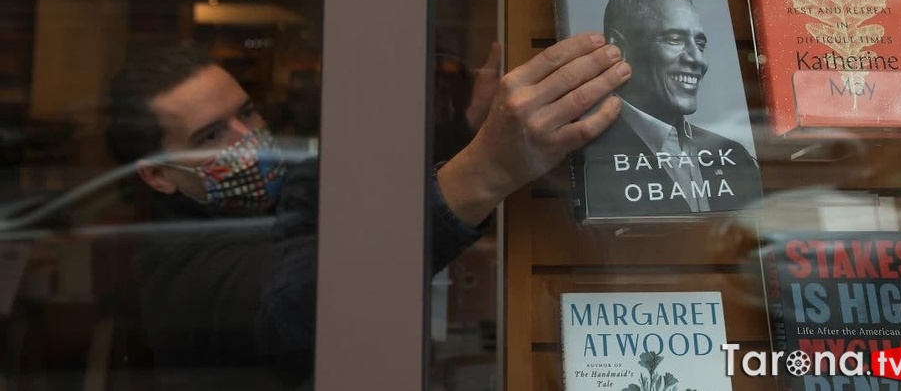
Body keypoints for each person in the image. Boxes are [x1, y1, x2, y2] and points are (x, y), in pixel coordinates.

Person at [103, 31, 631, 389]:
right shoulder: (178, 272)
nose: (249, 140)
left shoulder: (273, 196)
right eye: (210, 136)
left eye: (247, 113)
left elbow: (359, 190)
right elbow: (315, 291)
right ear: (157, 175)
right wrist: (487, 169)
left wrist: (468, 128)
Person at [581, 0, 762, 216]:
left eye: (700, 45)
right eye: (675, 39)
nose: (698, 59)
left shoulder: (733, 156)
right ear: (618, 48)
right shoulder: (589, 156)